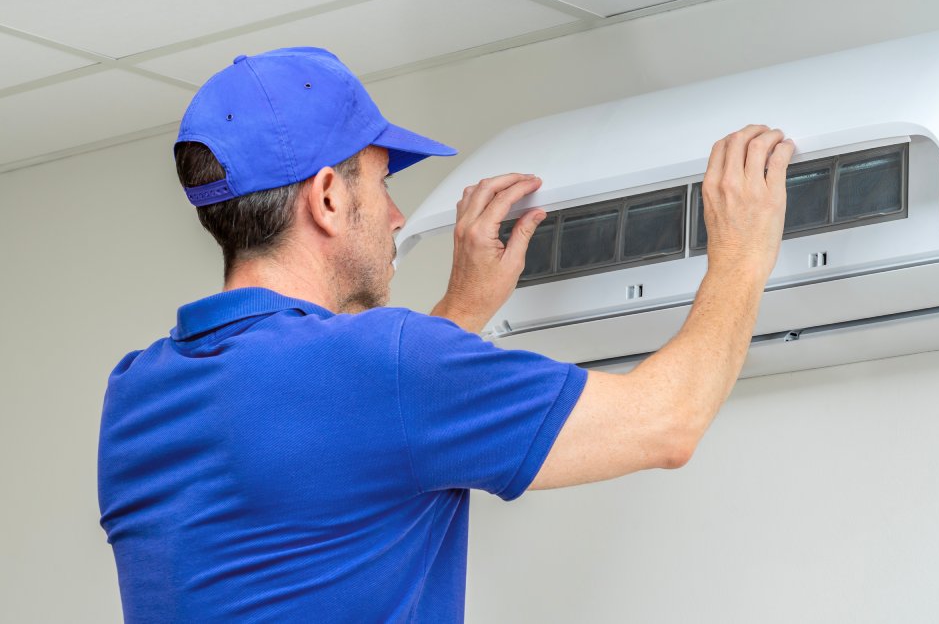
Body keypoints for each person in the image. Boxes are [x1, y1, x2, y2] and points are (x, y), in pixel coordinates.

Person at [98, 47, 795, 623]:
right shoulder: (386, 365)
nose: (398, 216)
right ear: (329, 198)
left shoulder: (136, 395)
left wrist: (459, 310)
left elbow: (325, 438)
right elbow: (665, 424)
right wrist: (742, 250)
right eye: (380, 182)